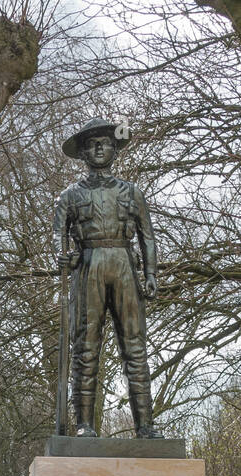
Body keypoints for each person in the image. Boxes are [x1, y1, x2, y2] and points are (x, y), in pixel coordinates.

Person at [53, 117, 161, 438]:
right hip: (88, 265)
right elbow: (57, 235)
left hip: (124, 265)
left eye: (105, 142)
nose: (99, 148)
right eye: (92, 143)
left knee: (135, 347)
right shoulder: (69, 196)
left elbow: (148, 237)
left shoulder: (132, 192)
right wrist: (61, 257)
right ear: (83, 152)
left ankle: (145, 425)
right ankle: (85, 424)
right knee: (85, 347)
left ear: (115, 149)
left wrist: (150, 273)